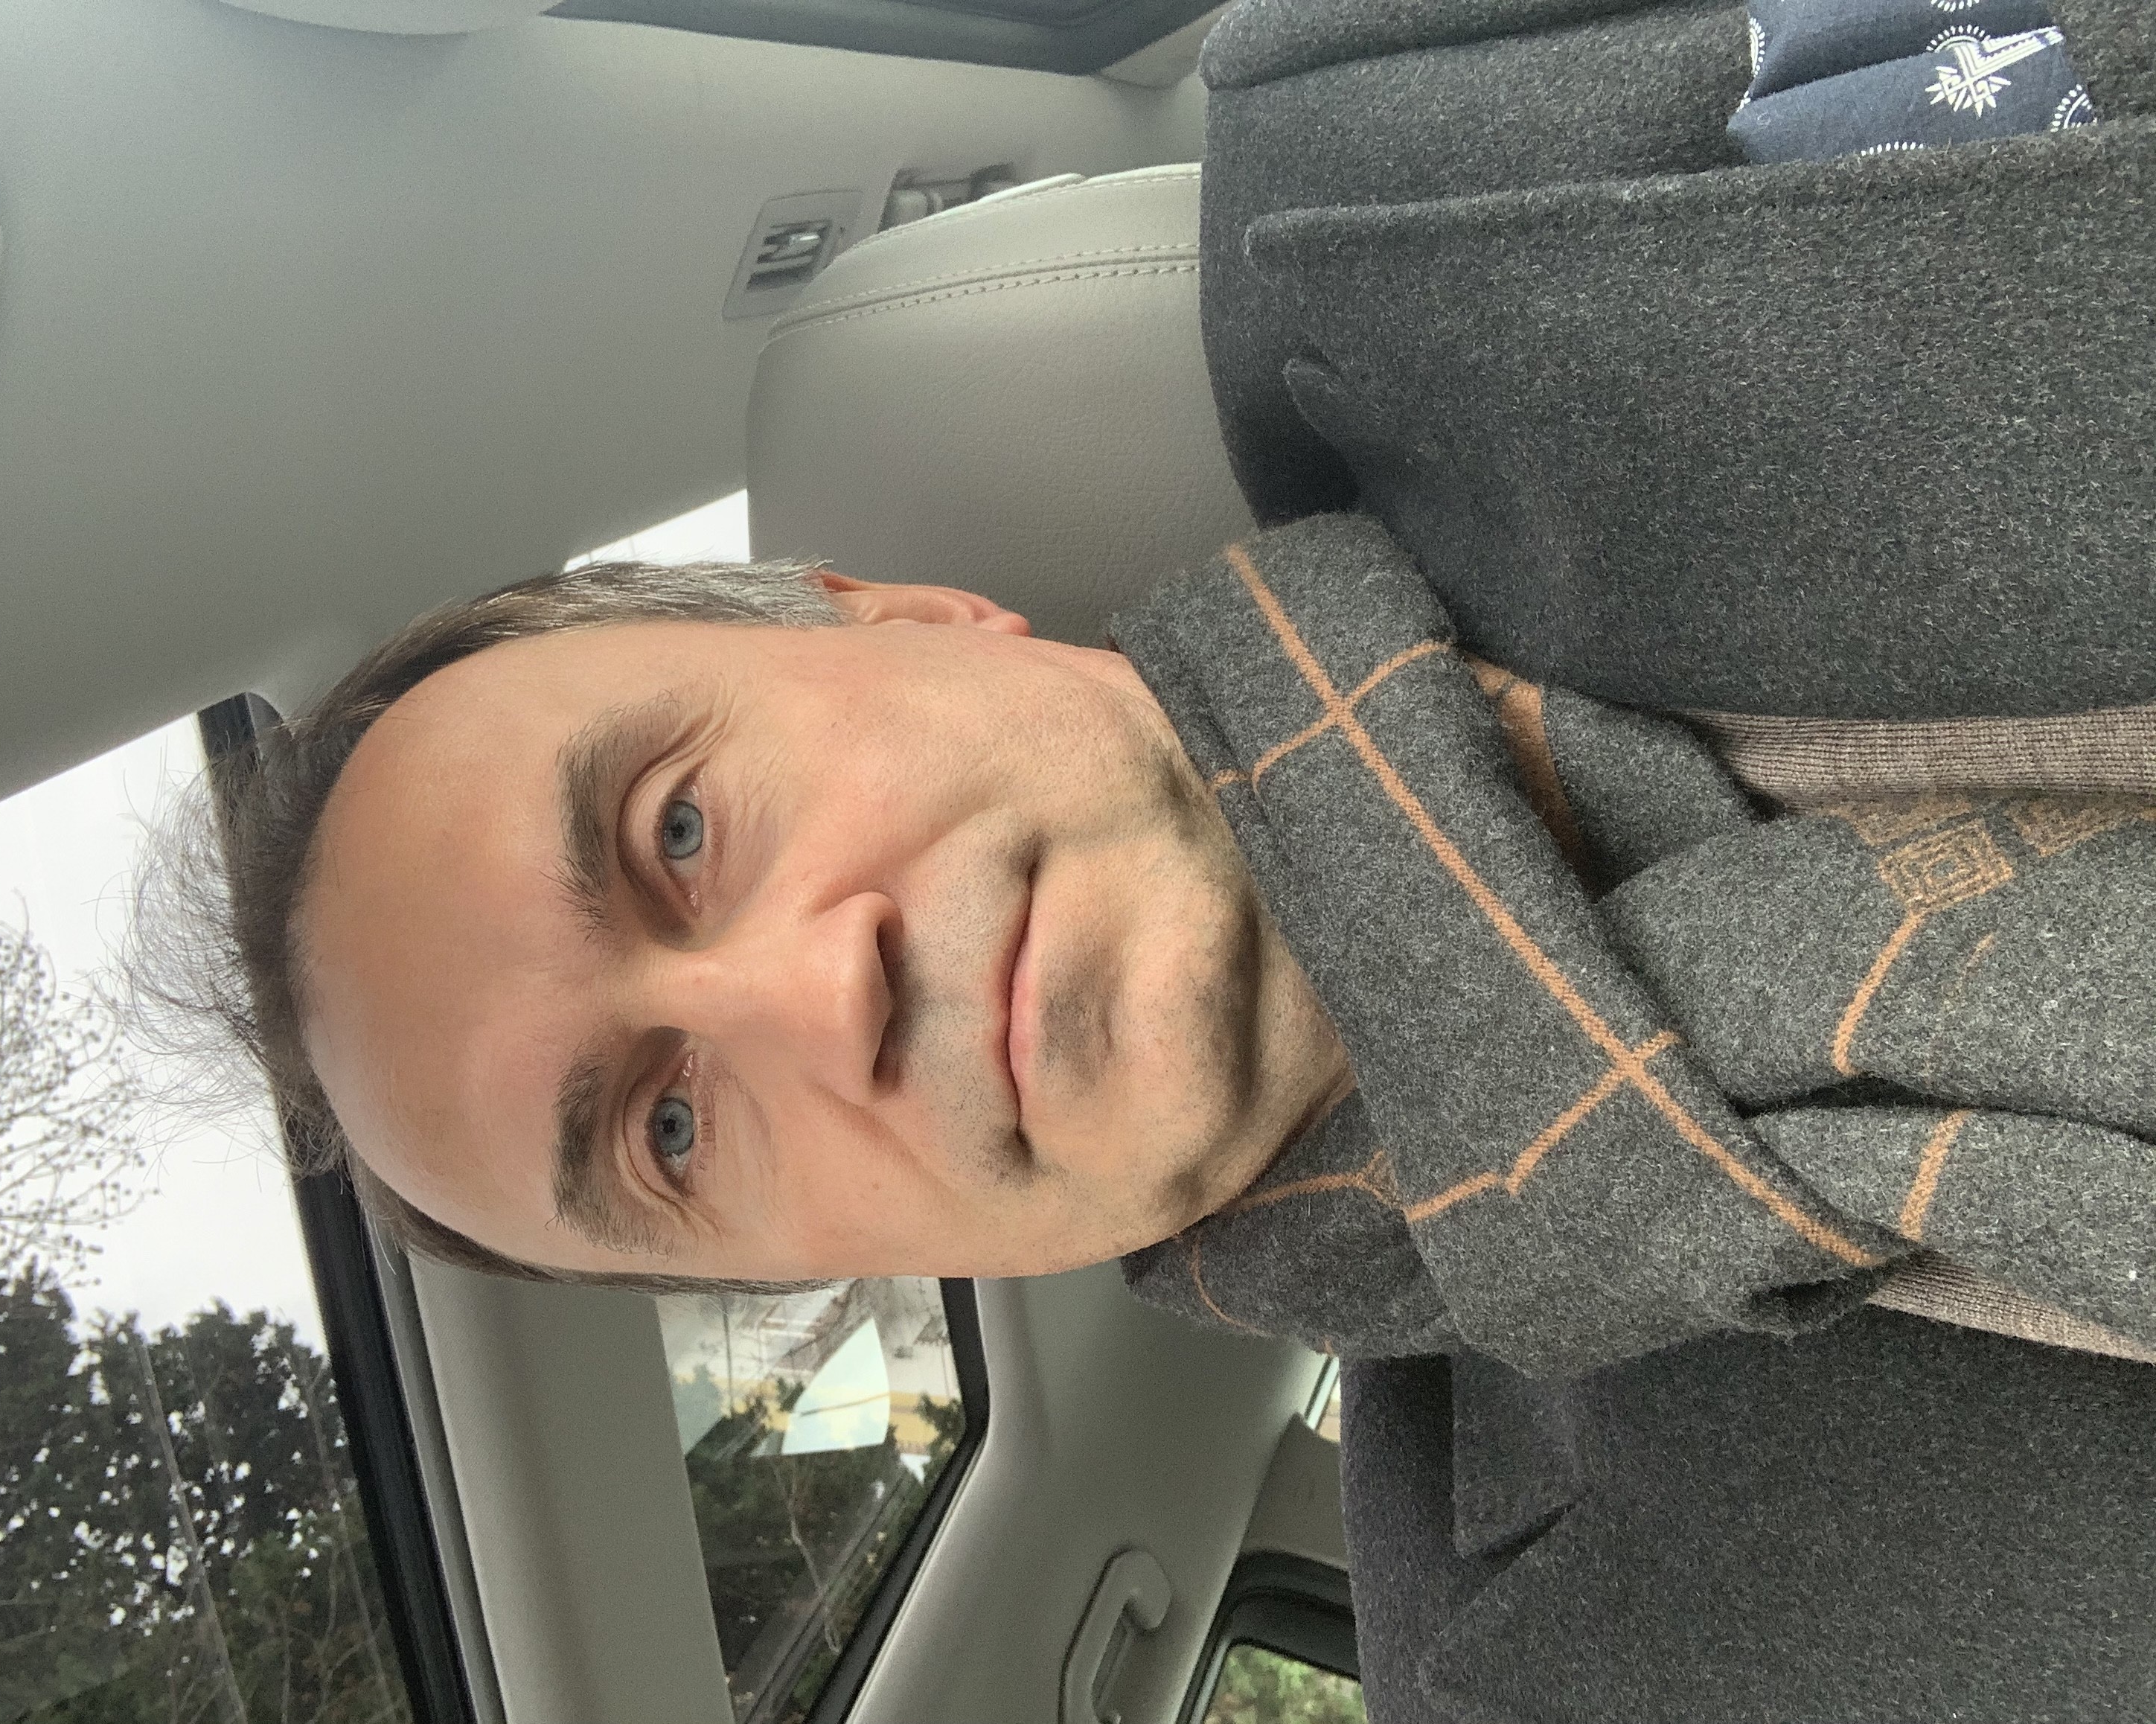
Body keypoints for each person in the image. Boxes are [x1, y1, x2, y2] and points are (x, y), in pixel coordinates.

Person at [151, 0, 2156, 1716]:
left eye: (678, 827)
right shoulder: (1563, 1671)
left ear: (903, 620)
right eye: (669, 1129)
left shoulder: (1411, 121)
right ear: (816, 1262)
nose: (819, 993)